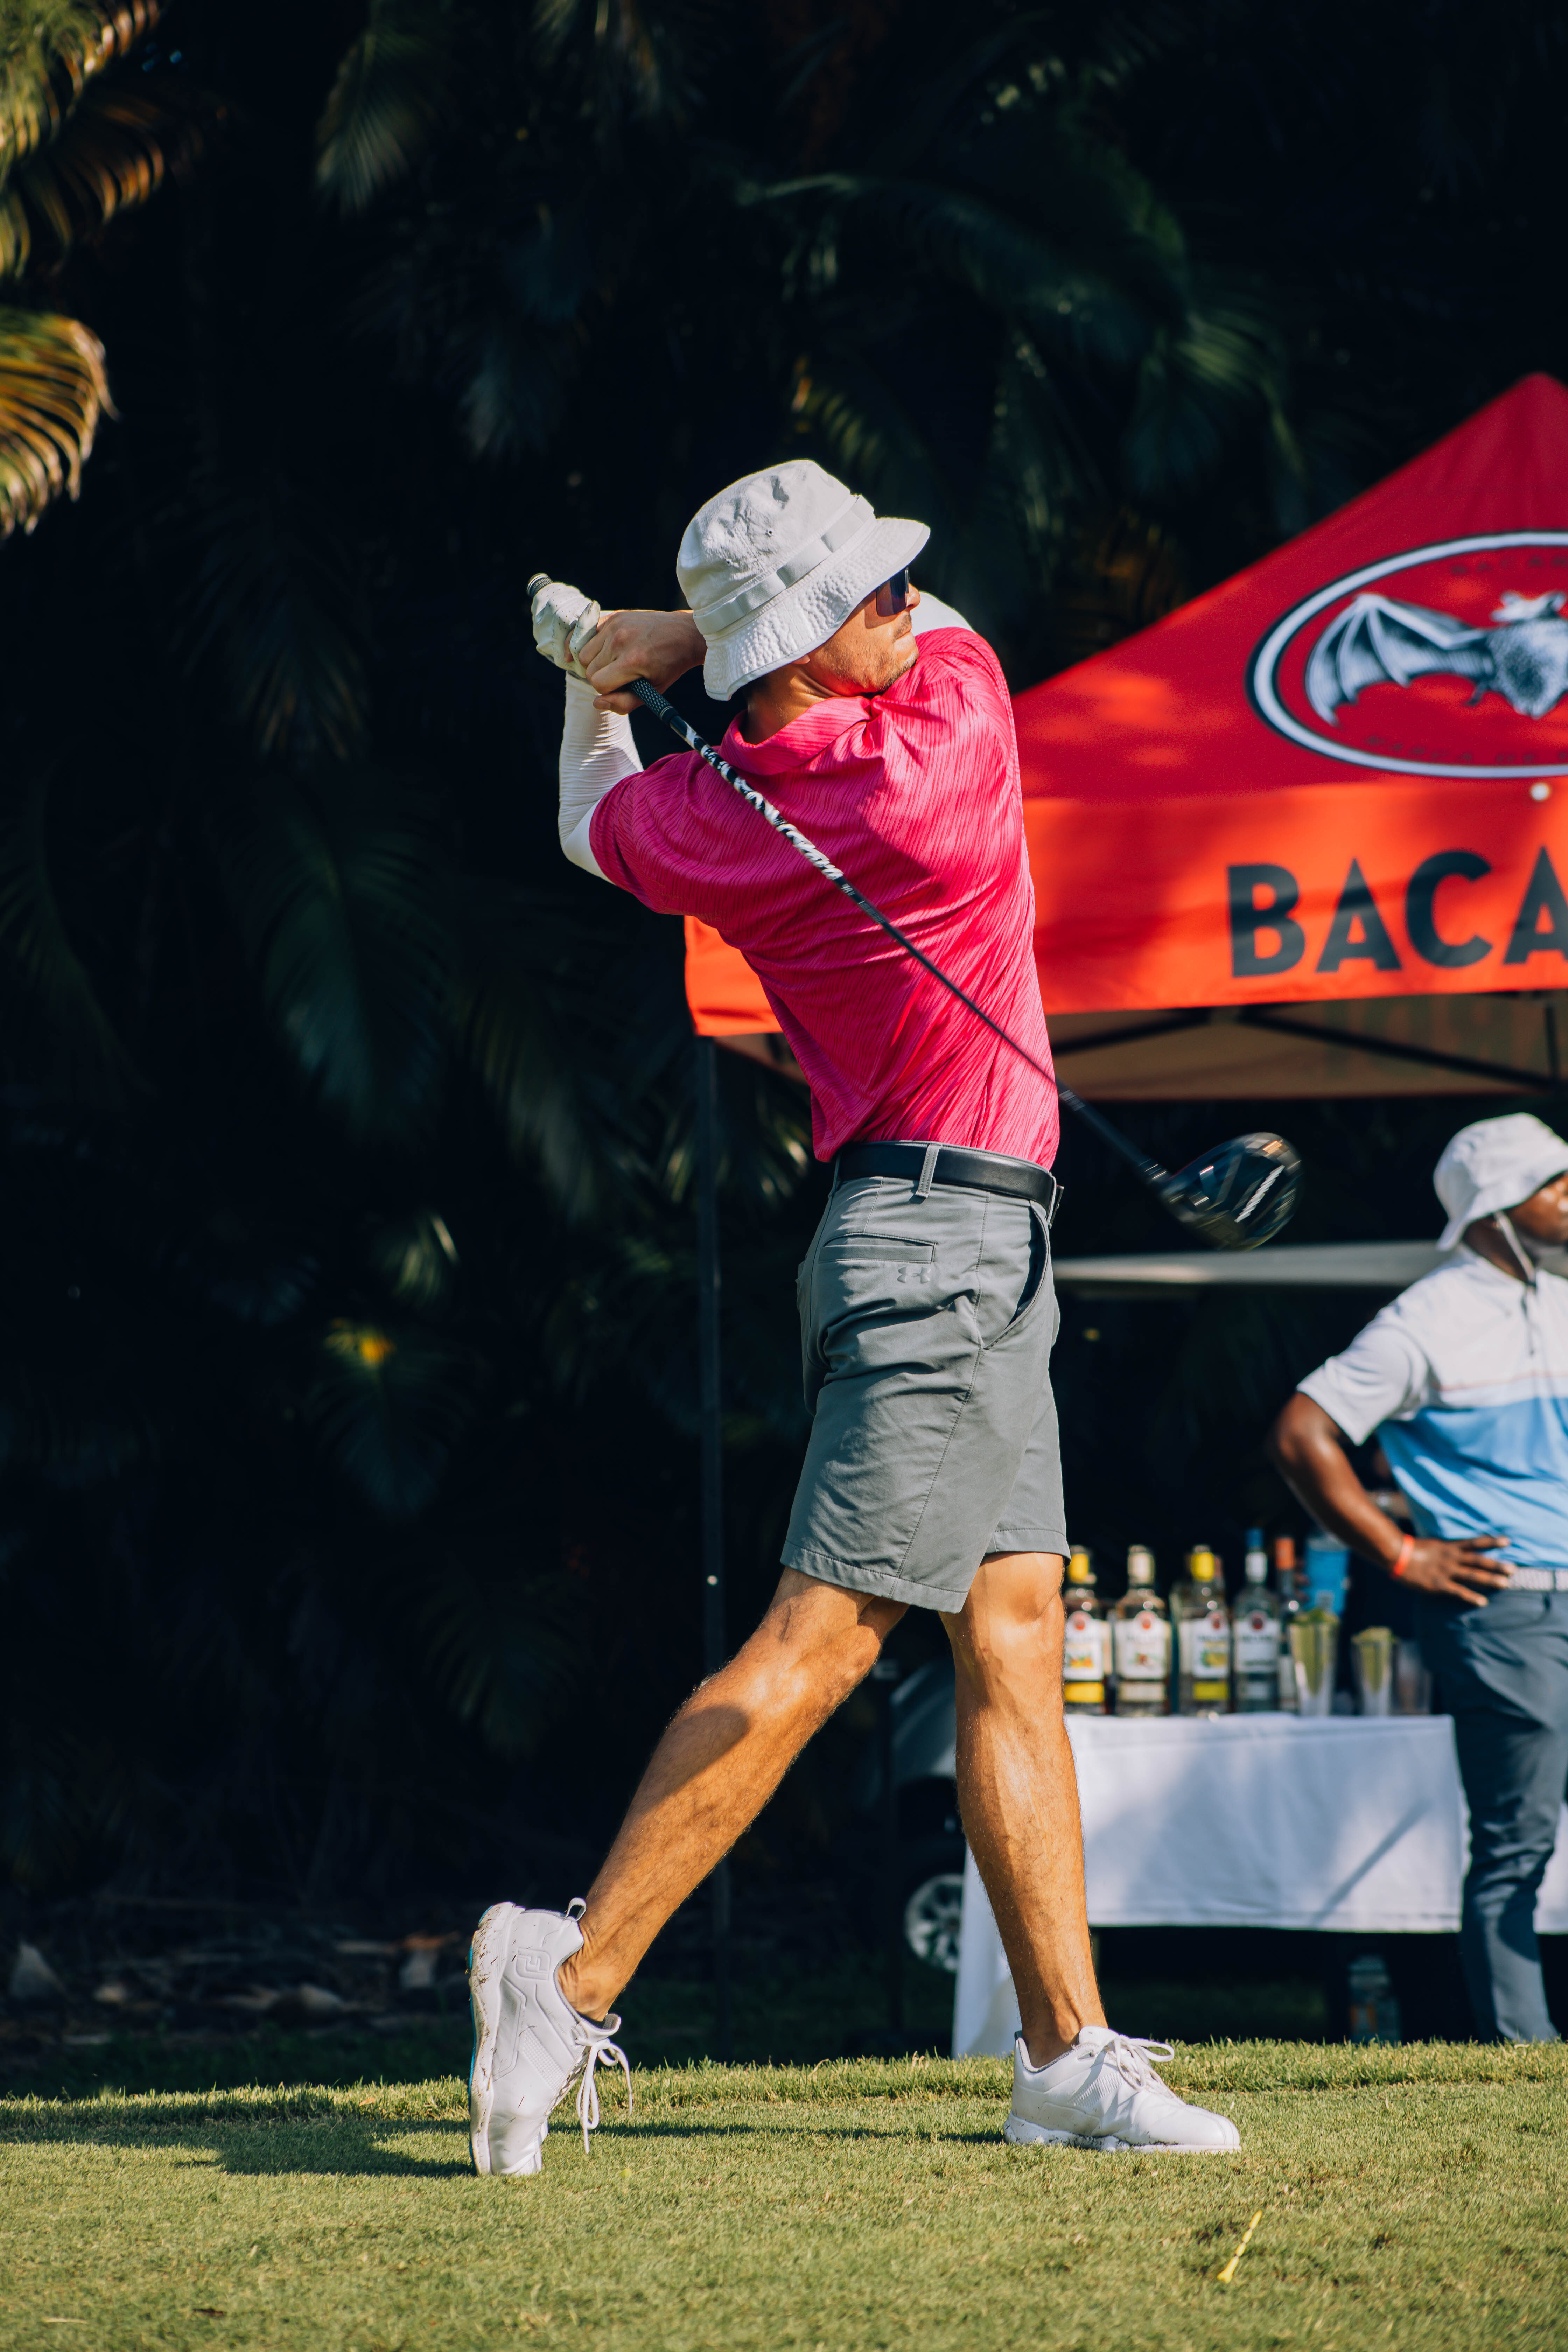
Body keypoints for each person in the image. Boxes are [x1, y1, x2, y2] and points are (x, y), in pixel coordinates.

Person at [466, 460, 1238, 2178]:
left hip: (941, 1238)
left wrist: (605, 678)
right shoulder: (938, 744)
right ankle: (565, 1976)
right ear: (812, 640)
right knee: (823, 1644)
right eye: (868, 590)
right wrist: (661, 639)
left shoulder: (719, 813)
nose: (905, 598)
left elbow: (594, 825)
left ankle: (1064, 2057)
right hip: (944, 1250)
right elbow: (951, 632)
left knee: (1014, 1634)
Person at [1270, 1111, 1568, 2043]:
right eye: (1554, 1184)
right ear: (1495, 1209)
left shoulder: (1559, 1300)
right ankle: (1528, 2060)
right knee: (1517, 1847)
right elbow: (1301, 1433)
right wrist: (1403, 1555)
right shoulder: (1423, 1322)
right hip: (1506, 1613)